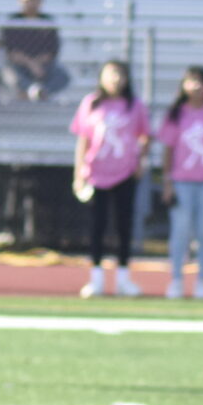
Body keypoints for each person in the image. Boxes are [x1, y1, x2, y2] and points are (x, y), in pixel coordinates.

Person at [70, 59, 146, 297]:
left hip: (124, 172)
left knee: (124, 226)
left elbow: (145, 135)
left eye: (120, 74)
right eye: (111, 74)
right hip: (96, 173)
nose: (116, 79)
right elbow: (83, 139)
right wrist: (78, 174)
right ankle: (96, 278)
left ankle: (123, 278)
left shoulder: (134, 105)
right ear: (102, 77)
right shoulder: (91, 103)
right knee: (97, 227)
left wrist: (139, 160)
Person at [155, 66, 203, 300]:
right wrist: (167, 181)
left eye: (201, 82)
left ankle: (202, 280)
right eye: (192, 81)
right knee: (180, 231)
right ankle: (176, 279)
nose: (197, 87)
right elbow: (168, 149)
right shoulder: (176, 114)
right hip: (182, 182)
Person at [2, 0, 66, 101]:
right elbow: (11, 52)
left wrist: (37, 64)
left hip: (43, 66)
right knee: (9, 74)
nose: (29, 4)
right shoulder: (13, 21)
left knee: (63, 76)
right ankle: (34, 91)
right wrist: (31, 64)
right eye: (25, 0)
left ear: (40, 0)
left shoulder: (48, 22)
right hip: (20, 65)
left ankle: (40, 91)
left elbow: (52, 51)